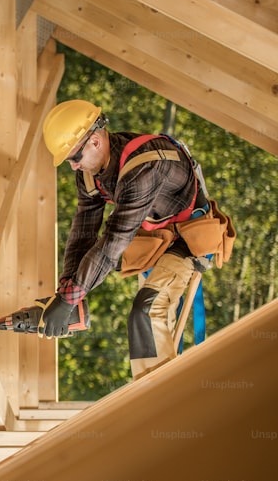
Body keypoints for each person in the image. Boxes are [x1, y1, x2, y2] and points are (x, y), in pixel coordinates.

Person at [39, 99, 231, 379]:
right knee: (139, 313)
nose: (73, 167)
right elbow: (83, 232)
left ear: (94, 141)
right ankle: (153, 393)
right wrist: (67, 290)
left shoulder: (145, 167)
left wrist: (69, 300)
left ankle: (160, 402)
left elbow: (113, 242)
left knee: (147, 311)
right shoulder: (90, 173)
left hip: (188, 238)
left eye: (74, 158)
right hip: (155, 237)